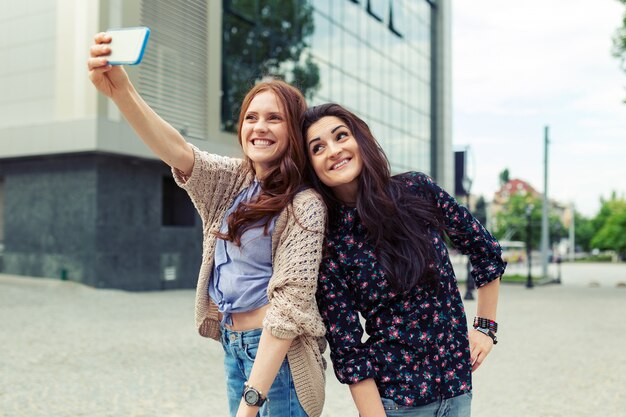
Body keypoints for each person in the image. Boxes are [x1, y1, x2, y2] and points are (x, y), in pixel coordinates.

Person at [87, 32, 327, 417]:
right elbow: (179, 151)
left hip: (280, 359)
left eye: (274, 118)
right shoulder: (235, 180)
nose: (259, 127)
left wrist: (250, 405)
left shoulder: (305, 204)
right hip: (234, 345)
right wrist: (120, 92)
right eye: (251, 117)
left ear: (294, 132)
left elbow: (289, 309)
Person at [301, 103, 506, 417]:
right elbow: (348, 349)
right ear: (312, 166)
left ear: (360, 140)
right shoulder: (330, 243)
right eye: (318, 148)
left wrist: (485, 327)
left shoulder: (417, 190)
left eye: (341, 136)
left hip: (458, 391)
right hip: (397, 403)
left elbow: (484, 247)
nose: (333, 150)